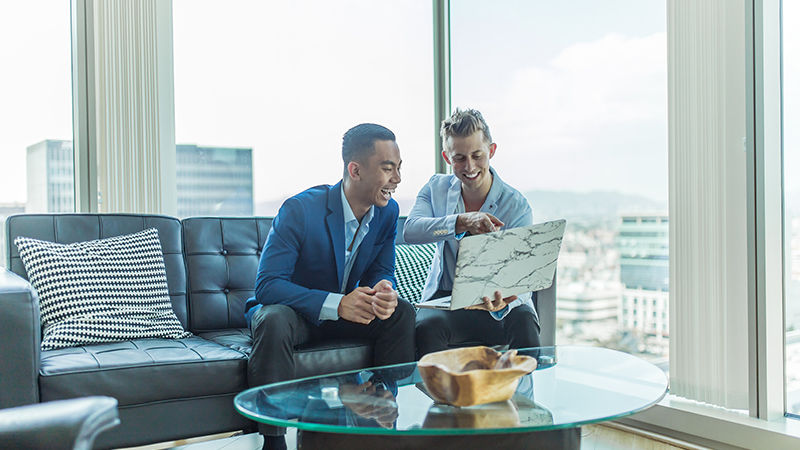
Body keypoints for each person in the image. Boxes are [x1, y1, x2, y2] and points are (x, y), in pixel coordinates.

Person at [245, 123, 416, 450]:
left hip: (347, 317)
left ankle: (381, 409)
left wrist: (384, 291)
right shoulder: (300, 210)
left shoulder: (388, 212)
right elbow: (268, 285)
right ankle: (273, 439)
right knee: (273, 319)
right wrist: (336, 304)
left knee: (402, 313)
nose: (397, 179)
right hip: (298, 317)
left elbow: (383, 270)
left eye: (399, 168)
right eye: (387, 168)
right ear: (355, 169)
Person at [404, 108, 541, 357]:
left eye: (477, 155)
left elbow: (525, 277)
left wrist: (506, 299)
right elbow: (411, 231)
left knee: (524, 322)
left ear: (492, 151)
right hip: (447, 301)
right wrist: (460, 221)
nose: (469, 166)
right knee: (426, 327)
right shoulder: (435, 189)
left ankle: (523, 395)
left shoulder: (516, 205)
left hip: (498, 303)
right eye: (459, 158)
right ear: (447, 157)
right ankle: (441, 396)